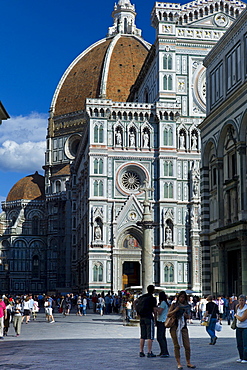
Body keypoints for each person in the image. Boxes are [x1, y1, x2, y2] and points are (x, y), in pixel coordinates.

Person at [167, 291, 196, 369]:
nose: (182, 299)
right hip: (174, 327)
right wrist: (176, 310)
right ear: (178, 297)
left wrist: (186, 314)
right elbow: (168, 314)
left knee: (187, 346)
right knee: (177, 346)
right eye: (181, 297)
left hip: (183, 327)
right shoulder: (174, 305)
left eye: (183, 297)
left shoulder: (187, 306)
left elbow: (189, 316)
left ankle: (188, 362)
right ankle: (179, 363)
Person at [137, 284, 157, 358]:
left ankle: (141, 351)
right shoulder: (152, 298)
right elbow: (154, 310)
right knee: (150, 336)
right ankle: (149, 352)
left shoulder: (142, 297)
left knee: (142, 335)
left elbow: (135, 303)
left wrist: (138, 312)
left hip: (142, 317)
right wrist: (155, 318)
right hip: (149, 317)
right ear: (153, 290)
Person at [156, 291, 170, 358]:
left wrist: (156, 309)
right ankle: (163, 351)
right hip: (163, 320)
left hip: (161, 320)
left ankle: (164, 352)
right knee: (162, 337)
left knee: (160, 337)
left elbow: (160, 312)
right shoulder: (165, 303)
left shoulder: (163, 303)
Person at [235, 294, 247, 363]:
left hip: (245, 327)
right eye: (240, 300)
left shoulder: (246, 309)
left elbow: (242, 319)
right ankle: (241, 357)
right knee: (239, 343)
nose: (241, 302)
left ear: (245, 301)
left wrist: (236, 316)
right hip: (238, 327)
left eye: (242, 300)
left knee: (245, 344)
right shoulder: (238, 307)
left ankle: (245, 358)